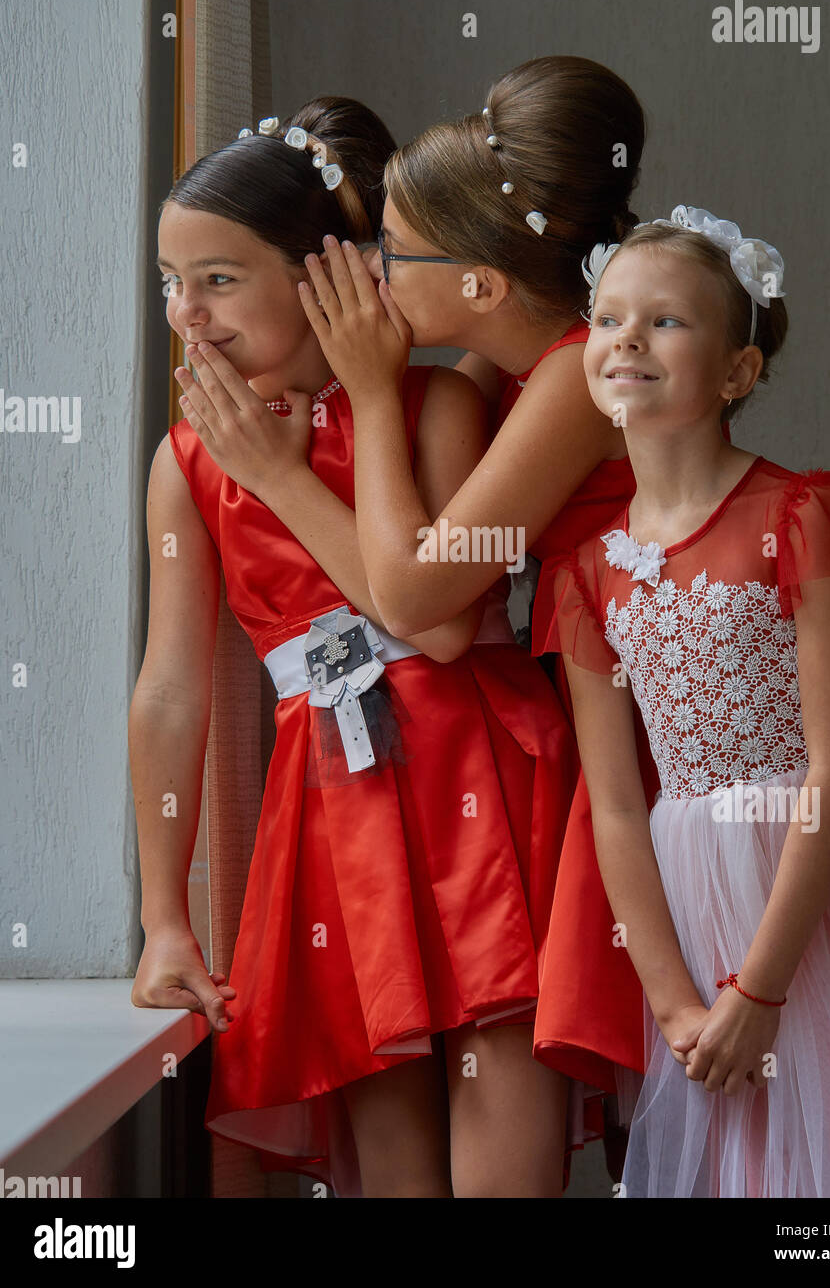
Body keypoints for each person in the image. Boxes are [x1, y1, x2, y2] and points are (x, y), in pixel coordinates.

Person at [182, 58, 655, 1164]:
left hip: (679, 741)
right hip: (616, 731)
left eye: (393, 251)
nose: (368, 273)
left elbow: (419, 602)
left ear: (479, 286)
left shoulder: (578, 375)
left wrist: (339, 427)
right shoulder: (511, 382)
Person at [548, 204, 830, 1196]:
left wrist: (760, 987)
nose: (627, 340)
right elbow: (612, 804)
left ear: (738, 371)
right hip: (697, 894)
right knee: (757, 1152)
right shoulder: (584, 572)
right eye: (608, 319)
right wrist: (678, 1003)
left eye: (666, 321)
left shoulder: (799, 513)